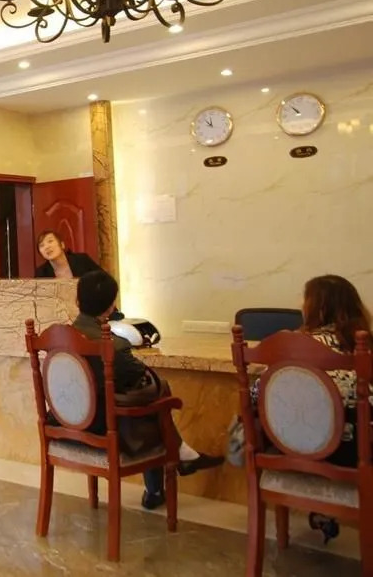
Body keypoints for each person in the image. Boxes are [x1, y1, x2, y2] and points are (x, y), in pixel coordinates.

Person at [71, 270, 224, 510]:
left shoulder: (62, 337)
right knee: (155, 396)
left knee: (147, 399)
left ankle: (162, 482)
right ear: (110, 307)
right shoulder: (113, 345)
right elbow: (138, 372)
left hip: (69, 423)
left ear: (77, 301)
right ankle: (178, 457)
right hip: (104, 427)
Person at [248, 274, 372, 542]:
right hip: (348, 455)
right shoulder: (364, 348)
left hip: (287, 448)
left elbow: (255, 396)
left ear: (318, 308)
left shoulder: (285, 347)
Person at [34, 230, 103, 279]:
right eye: (42, 245)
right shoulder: (41, 273)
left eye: (50, 241)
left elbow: (103, 279)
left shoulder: (82, 260)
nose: (47, 247)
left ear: (62, 245)